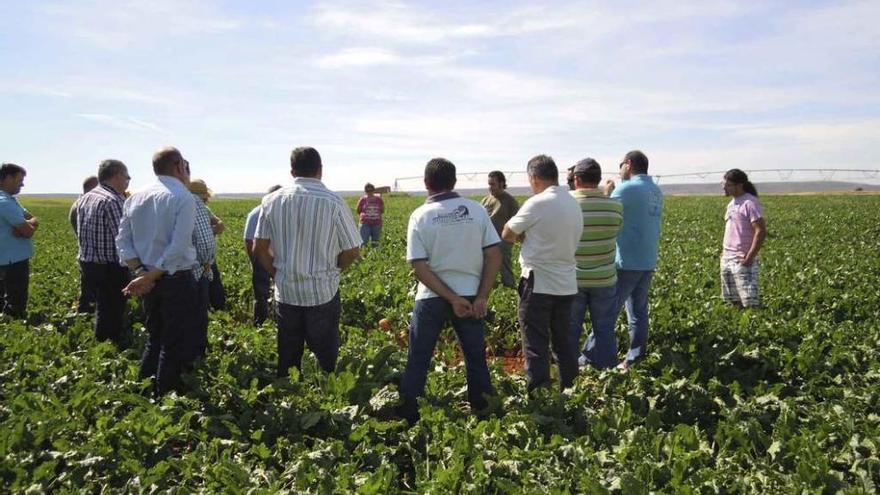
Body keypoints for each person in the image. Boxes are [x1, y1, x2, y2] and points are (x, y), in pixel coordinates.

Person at [397, 158, 502, 423]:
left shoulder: (420, 215)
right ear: (454, 182)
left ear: (426, 184)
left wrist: (450, 298)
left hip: (431, 297)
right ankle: (484, 413)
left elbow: (418, 266)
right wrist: (481, 296)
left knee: (418, 358)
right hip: (470, 296)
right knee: (475, 357)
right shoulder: (476, 210)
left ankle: (409, 416)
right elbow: (494, 254)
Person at [253, 147, 361, 377]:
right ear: (320, 170)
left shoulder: (271, 201)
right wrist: (335, 269)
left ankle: (290, 401)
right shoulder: (333, 202)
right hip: (322, 292)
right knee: (324, 358)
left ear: (292, 172)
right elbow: (353, 249)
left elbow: (259, 248)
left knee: (288, 356)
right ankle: (323, 403)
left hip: (287, 292)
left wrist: (276, 273)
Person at [116, 147, 198, 394]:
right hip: (176, 278)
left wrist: (141, 272)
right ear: (178, 166)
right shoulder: (183, 197)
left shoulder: (135, 197)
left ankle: (143, 390)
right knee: (173, 340)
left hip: (147, 280)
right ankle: (165, 396)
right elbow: (178, 245)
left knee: (155, 335)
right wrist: (151, 275)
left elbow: (122, 241)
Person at [502, 155, 583, 391]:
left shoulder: (537, 203)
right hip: (567, 283)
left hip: (539, 283)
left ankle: (540, 397)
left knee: (536, 343)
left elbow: (507, 232)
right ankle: (571, 391)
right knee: (564, 344)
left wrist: (523, 238)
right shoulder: (571, 203)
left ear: (534, 178)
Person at [607, 150, 663, 370]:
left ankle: (593, 356)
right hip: (647, 259)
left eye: (620, 164)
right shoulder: (655, 190)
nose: (620, 168)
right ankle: (634, 358)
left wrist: (608, 191)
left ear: (628, 164)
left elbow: (606, 211)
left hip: (627, 261)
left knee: (608, 311)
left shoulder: (626, 189)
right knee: (638, 312)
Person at [566, 159, 623, 369]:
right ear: (598, 179)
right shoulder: (615, 206)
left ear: (576, 179)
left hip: (573, 279)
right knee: (605, 329)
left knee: (570, 329)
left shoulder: (567, 203)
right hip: (605, 279)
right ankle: (609, 376)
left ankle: (569, 376)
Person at [74, 161, 130, 343]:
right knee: (112, 310)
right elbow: (124, 239)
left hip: (88, 263)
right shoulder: (113, 200)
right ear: (116, 176)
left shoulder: (86, 197)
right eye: (127, 176)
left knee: (102, 306)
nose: (128, 181)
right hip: (109, 267)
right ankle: (107, 346)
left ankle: (102, 342)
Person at [721, 169, 766, 308]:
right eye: (724, 184)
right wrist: (724, 252)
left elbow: (760, 231)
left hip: (742, 259)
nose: (724, 187)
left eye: (728, 185)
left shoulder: (750, 203)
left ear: (739, 185)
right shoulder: (731, 204)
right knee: (733, 301)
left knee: (750, 303)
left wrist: (749, 258)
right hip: (727, 258)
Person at [0, 163, 38, 318]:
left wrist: (28, 224)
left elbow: (32, 219)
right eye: (20, 179)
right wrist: (28, 226)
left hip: (9, 260)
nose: (22, 184)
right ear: (8, 178)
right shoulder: (4, 203)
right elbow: (28, 231)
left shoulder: (10, 200)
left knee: (4, 300)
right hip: (11, 262)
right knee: (15, 303)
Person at [243, 184, 282, 325]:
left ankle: (263, 321)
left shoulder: (256, 212)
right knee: (266, 292)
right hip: (267, 257)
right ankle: (264, 321)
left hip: (266, 257)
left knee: (264, 293)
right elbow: (249, 241)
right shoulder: (258, 213)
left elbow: (248, 241)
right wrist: (256, 261)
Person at [188, 177, 218, 360]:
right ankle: (197, 354)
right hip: (195, 270)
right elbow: (206, 241)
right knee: (197, 315)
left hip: (159, 271)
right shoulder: (194, 203)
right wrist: (207, 263)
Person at [187, 180, 227, 311]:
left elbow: (220, 226)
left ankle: (218, 313)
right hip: (196, 261)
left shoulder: (203, 208)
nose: (206, 199)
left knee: (215, 292)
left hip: (206, 259)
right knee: (202, 296)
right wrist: (212, 231)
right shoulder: (191, 206)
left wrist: (211, 230)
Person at [480, 171, 520, 288]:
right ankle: (489, 288)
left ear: (501, 183)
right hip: (486, 241)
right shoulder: (485, 200)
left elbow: (516, 223)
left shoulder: (509, 201)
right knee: (484, 268)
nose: (490, 187)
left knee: (505, 267)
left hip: (502, 241)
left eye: (492, 184)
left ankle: (509, 289)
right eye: (489, 184)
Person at [70, 175, 99, 313]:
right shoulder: (86, 205)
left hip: (85, 253)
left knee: (86, 282)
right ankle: (86, 309)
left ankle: (84, 308)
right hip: (94, 255)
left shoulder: (78, 204)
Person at [356, 183, 384, 247]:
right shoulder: (362, 199)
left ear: (373, 190)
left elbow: (382, 210)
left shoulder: (379, 199)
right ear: (365, 191)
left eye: (371, 190)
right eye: (367, 191)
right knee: (363, 241)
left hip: (376, 223)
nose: (369, 192)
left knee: (375, 242)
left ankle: (375, 256)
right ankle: (363, 255)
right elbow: (358, 210)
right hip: (365, 223)